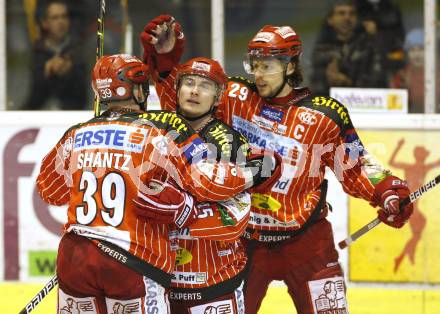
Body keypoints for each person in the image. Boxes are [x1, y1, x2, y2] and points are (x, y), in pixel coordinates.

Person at [140, 15, 414, 314]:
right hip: (244, 244)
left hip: (307, 243)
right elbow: (181, 105)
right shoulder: (235, 96)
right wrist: (166, 59)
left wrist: (387, 191)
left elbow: (356, 166)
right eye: (254, 65)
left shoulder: (325, 115)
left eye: (267, 66)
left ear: (291, 66)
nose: (259, 74)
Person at [36, 53, 267, 313]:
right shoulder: (158, 133)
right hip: (133, 261)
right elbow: (209, 182)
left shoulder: (74, 134)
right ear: (137, 90)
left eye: (204, 86)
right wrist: (253, 171)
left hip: (75, 259)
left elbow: (50, 191)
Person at [138, 23, 281, 311]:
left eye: (205, 86)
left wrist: (180, 209)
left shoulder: (226, 142)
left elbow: (237, 208)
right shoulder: (155, 128)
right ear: (177, 90)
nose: (194, 91)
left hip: (214, 279)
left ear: (217, 98)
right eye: (189, 83)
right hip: (159, 279)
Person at [310, 0, 386, 95]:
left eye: (352, 13)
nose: (347, 17)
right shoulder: (321, 50)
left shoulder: (368, 46)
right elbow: (316, 85)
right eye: (341, 13)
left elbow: (379, 79)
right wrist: (330, 81)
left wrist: (348, 84)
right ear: (330, 19)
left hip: (365, 102)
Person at [22, 0, 86, 110]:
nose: (60, 22)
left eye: (64, 17)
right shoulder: (35, 53)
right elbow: (30, 100)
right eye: (55, 18)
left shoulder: (79, 50)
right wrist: (46, 73)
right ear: (44, 23)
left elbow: (84, 98)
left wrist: (71, 71)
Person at [390, 28, 440, 113]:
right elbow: (393, 106)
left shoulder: (437, 72)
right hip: (411, 123)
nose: (417, 55)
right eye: (412, 50)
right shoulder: (402, 76)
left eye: (421, 49)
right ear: (407, 54)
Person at [356, 0, 406, 78]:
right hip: (361, 65)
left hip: (388, 64)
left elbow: (399, 37)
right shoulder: (355, 7)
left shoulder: (392, 7)